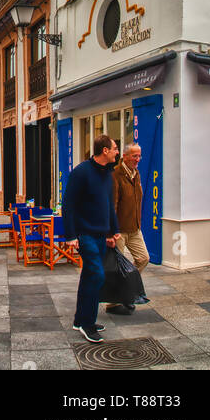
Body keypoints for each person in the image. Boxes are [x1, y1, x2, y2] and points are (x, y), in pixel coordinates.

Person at [63, 135, 121, 343]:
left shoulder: (108, 173)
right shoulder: (81, 172)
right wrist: (70, 235)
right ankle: (87, 325)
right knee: (97, 276)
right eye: (115, 148)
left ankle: (81, 320)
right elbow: (68, 205)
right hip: (84, 234)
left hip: (100, 235)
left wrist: (113, 231)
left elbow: (108, 205)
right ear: (104, 151)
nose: (117, 152)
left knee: (89, 276)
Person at [106, 142, 148, 316]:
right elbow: (113, 205)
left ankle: (125, 288)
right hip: (120, 230)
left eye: (139, 156)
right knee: (117, 267)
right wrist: (111, 231)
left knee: (143, 258)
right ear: (125, 156)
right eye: (134, 156)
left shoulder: (136, 173)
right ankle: (113, 302)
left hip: (135, 228)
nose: (137, 159)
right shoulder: (116, 175)